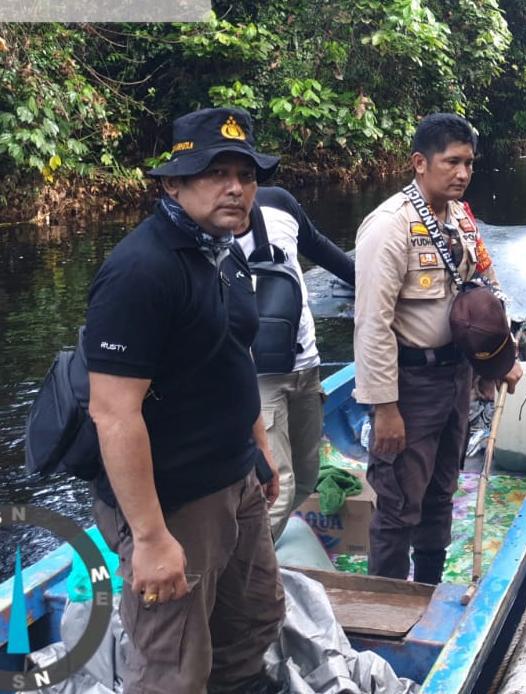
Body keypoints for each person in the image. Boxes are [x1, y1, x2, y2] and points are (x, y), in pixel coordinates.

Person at [85, 106, 284, 693]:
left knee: (254, 618)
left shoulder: (225, 251)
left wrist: (258, 450)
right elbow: (113, 411)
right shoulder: (141, 271)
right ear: (172, 182)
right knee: (175, 664)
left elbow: (235, 354)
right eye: (215, 173)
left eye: (246, 174)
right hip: (172, 500)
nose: (236, 188)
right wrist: (149, 539)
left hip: (235, 479)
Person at [353, 113, 522, 584]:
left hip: (455, 380)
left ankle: (427, 591)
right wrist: (384, 407)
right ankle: (385, 606)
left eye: (469, 163)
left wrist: (498, 360)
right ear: (419, 163)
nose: (463, 173)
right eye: (452, 162)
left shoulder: (462, 220)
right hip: (410, 386)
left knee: (441, 492)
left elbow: (487, 290)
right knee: (398, 503)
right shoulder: (390, 226)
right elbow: (371, 324)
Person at [235, 186, 355, 538]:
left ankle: (258, 557)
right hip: (257, 377)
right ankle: (241, 582)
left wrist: (377, 286)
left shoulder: (280, 202)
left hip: (306, 366)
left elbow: (324, 252)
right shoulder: (207, 224)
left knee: (304, 479)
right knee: (278, 487)